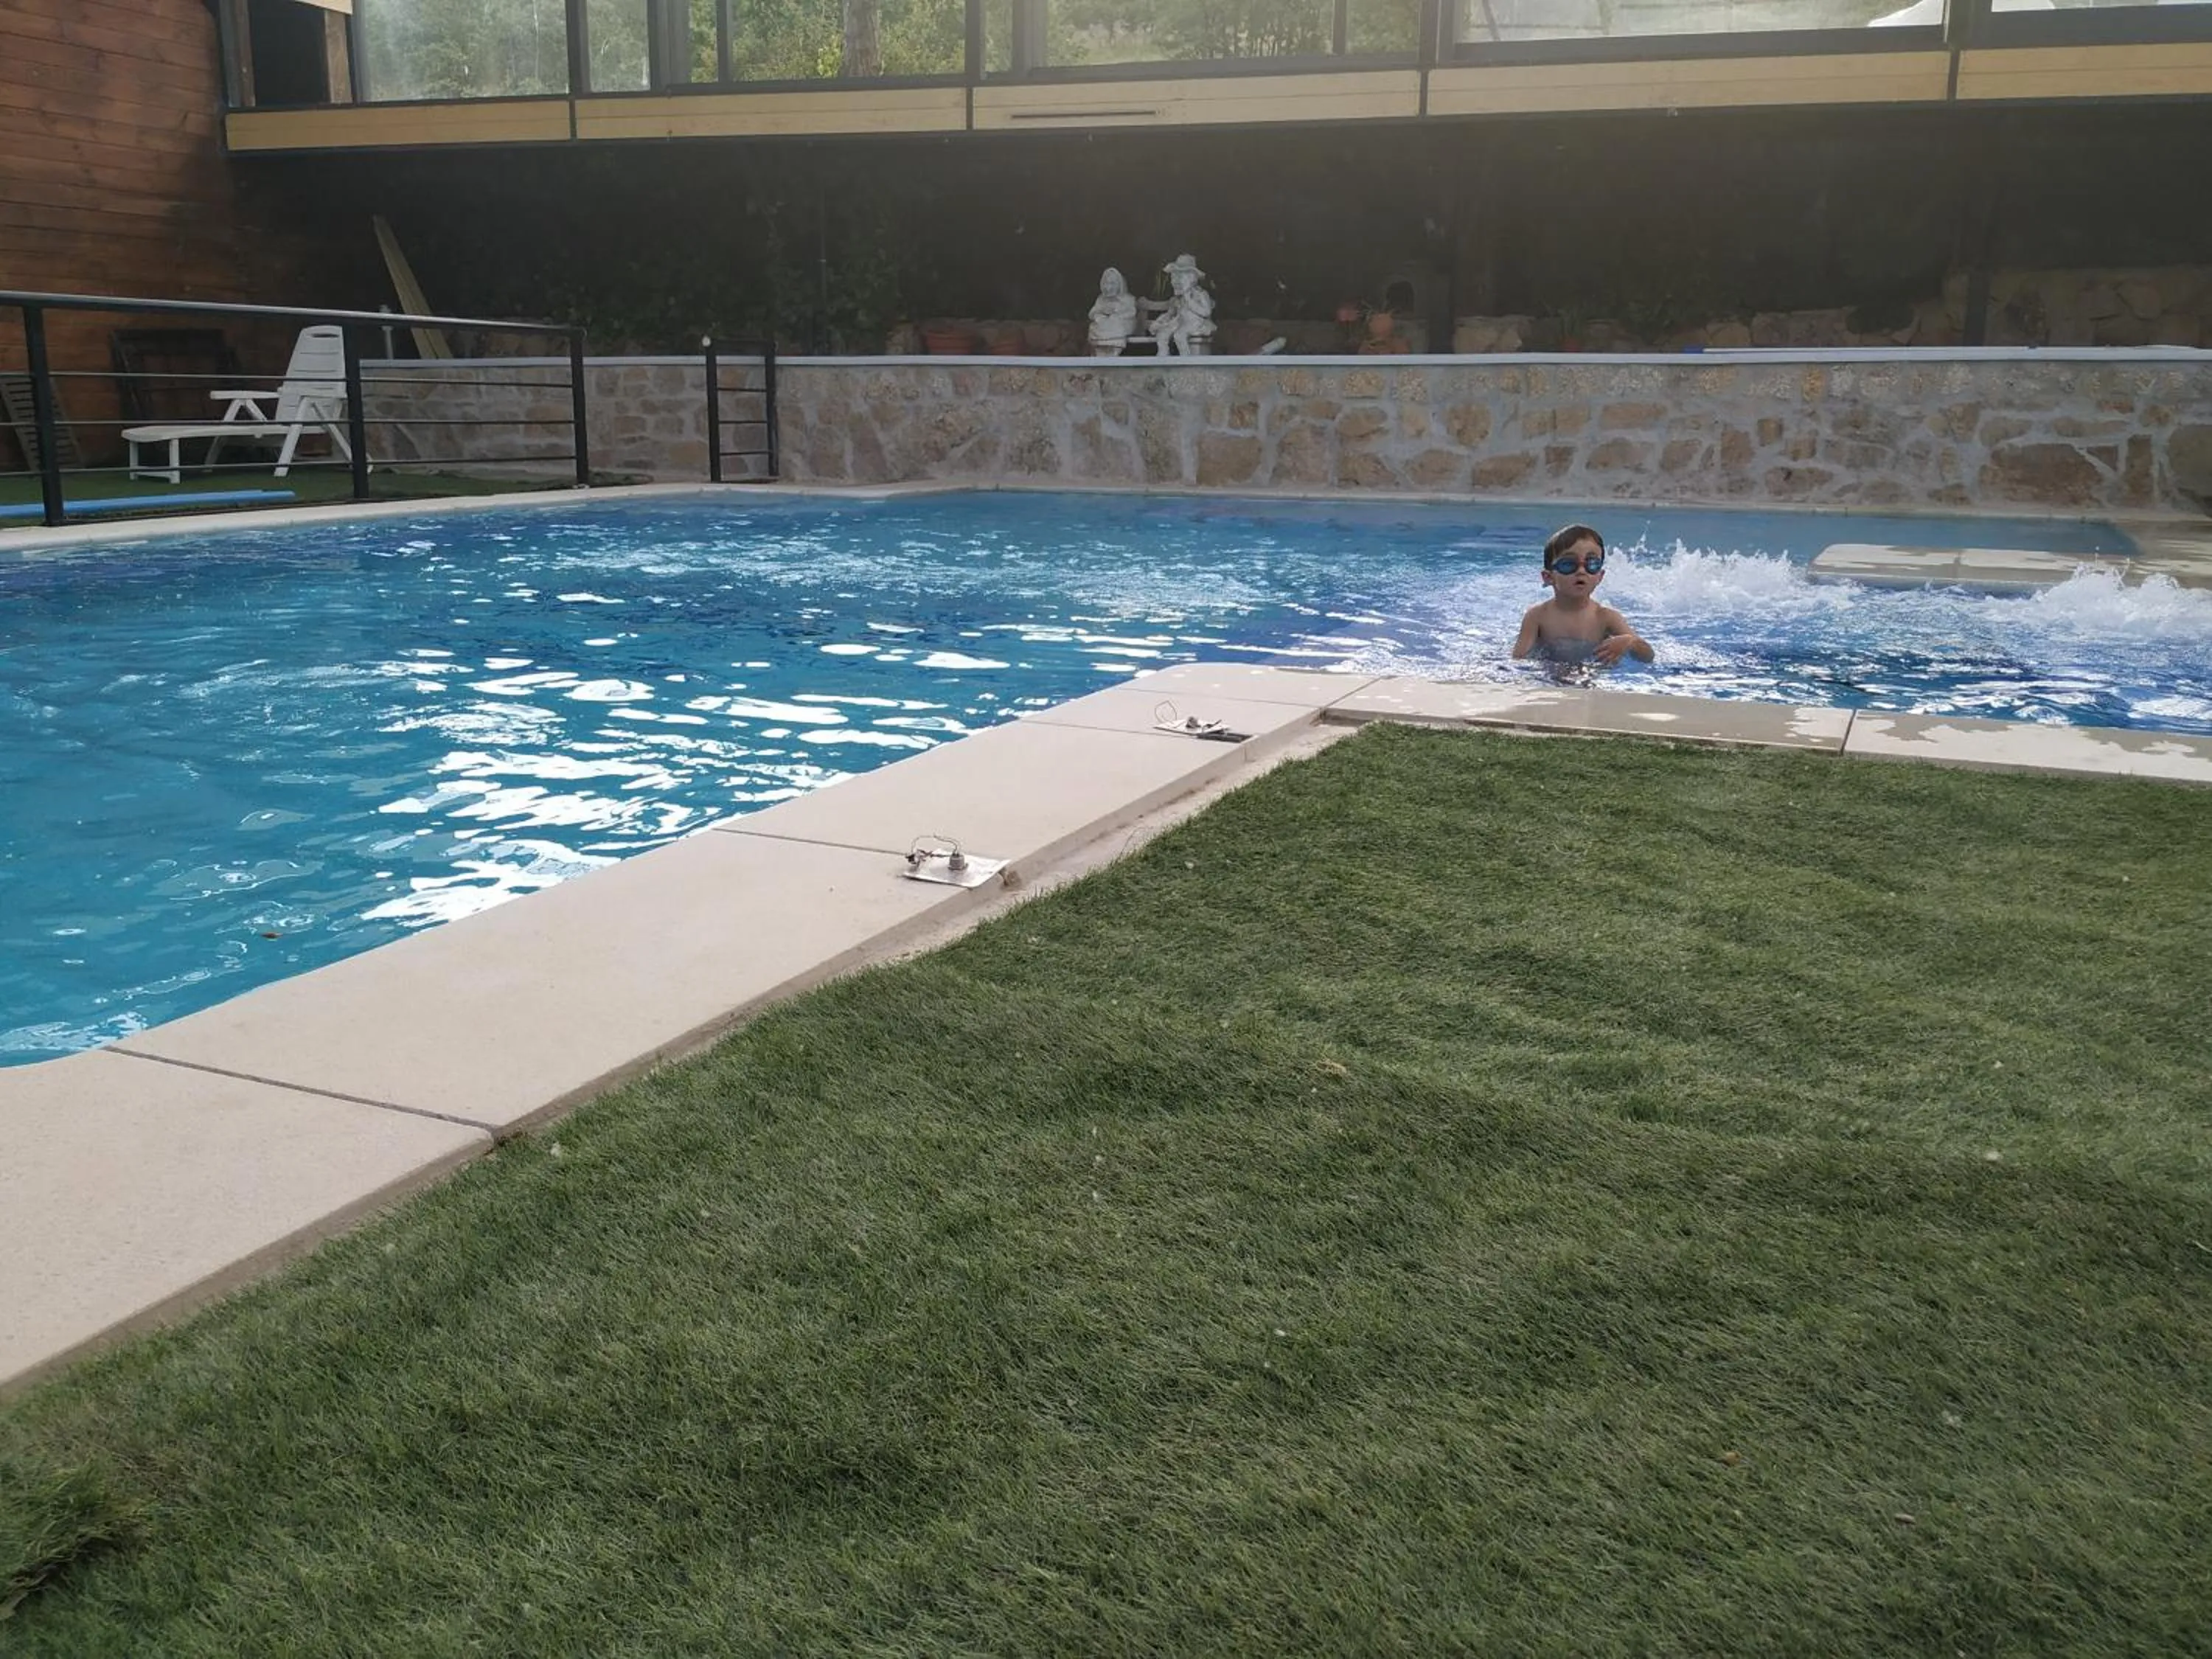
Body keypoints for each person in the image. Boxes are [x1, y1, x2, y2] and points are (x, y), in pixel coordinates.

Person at [1510, 524, 1653, 669]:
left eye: (1591, 564)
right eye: (1569, 564)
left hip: (1590, 675)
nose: (1581, 571)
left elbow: (1648, 656)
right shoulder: (1537, 616)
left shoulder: (1606, 617)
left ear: (1600, 577)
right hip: (1550, 674)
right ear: (1548, 577)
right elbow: (1519, 660)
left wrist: (1629, 642)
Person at [1088, 267, 1138, 355]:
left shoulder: (1128, 299)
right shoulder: (1101, 299)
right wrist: (1100, 314)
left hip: (1122, 322)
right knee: (1095, 325)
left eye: (1112, 284)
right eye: (1106, 284)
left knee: (1117, 324)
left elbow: (1132, 313)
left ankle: (1113, 350)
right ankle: (1101, 351)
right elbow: (1092, 314)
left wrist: (1117, 314)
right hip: (1105, 324)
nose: (1109, 287)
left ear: (1119, 285)